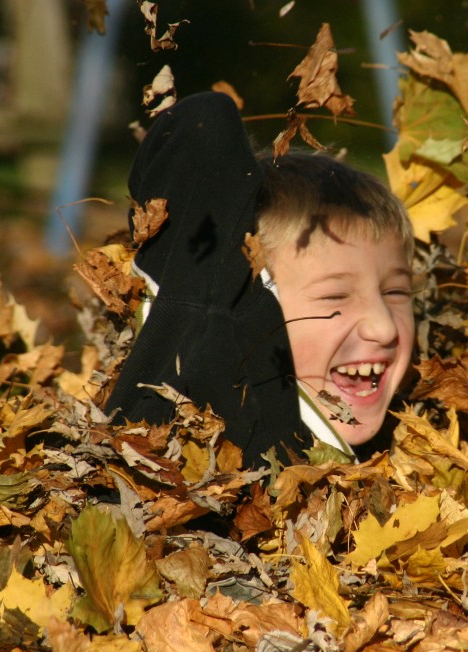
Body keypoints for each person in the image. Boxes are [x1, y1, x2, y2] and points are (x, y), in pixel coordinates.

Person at [104, 91, 415, 468]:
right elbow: (204, 125)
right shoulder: (218, 449)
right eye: (335, 297)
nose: (383, 328)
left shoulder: (411, 453)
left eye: (395, 291)